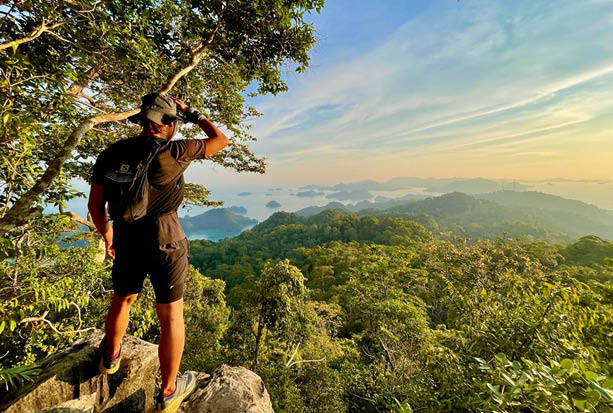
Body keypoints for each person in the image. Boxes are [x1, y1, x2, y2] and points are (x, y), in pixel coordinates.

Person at [87, 93, 229, 413]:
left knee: (123, 298)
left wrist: (108, 236)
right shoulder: (175, 150)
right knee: (171, 315)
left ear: (142, 122)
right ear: (168, 124)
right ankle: (169, 391)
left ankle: (110, 357)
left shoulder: (111, 154)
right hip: (167, 242)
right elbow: (221, 139)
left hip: (127, 240)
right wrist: (192, 112)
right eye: (174, 121)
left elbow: (96, 207)